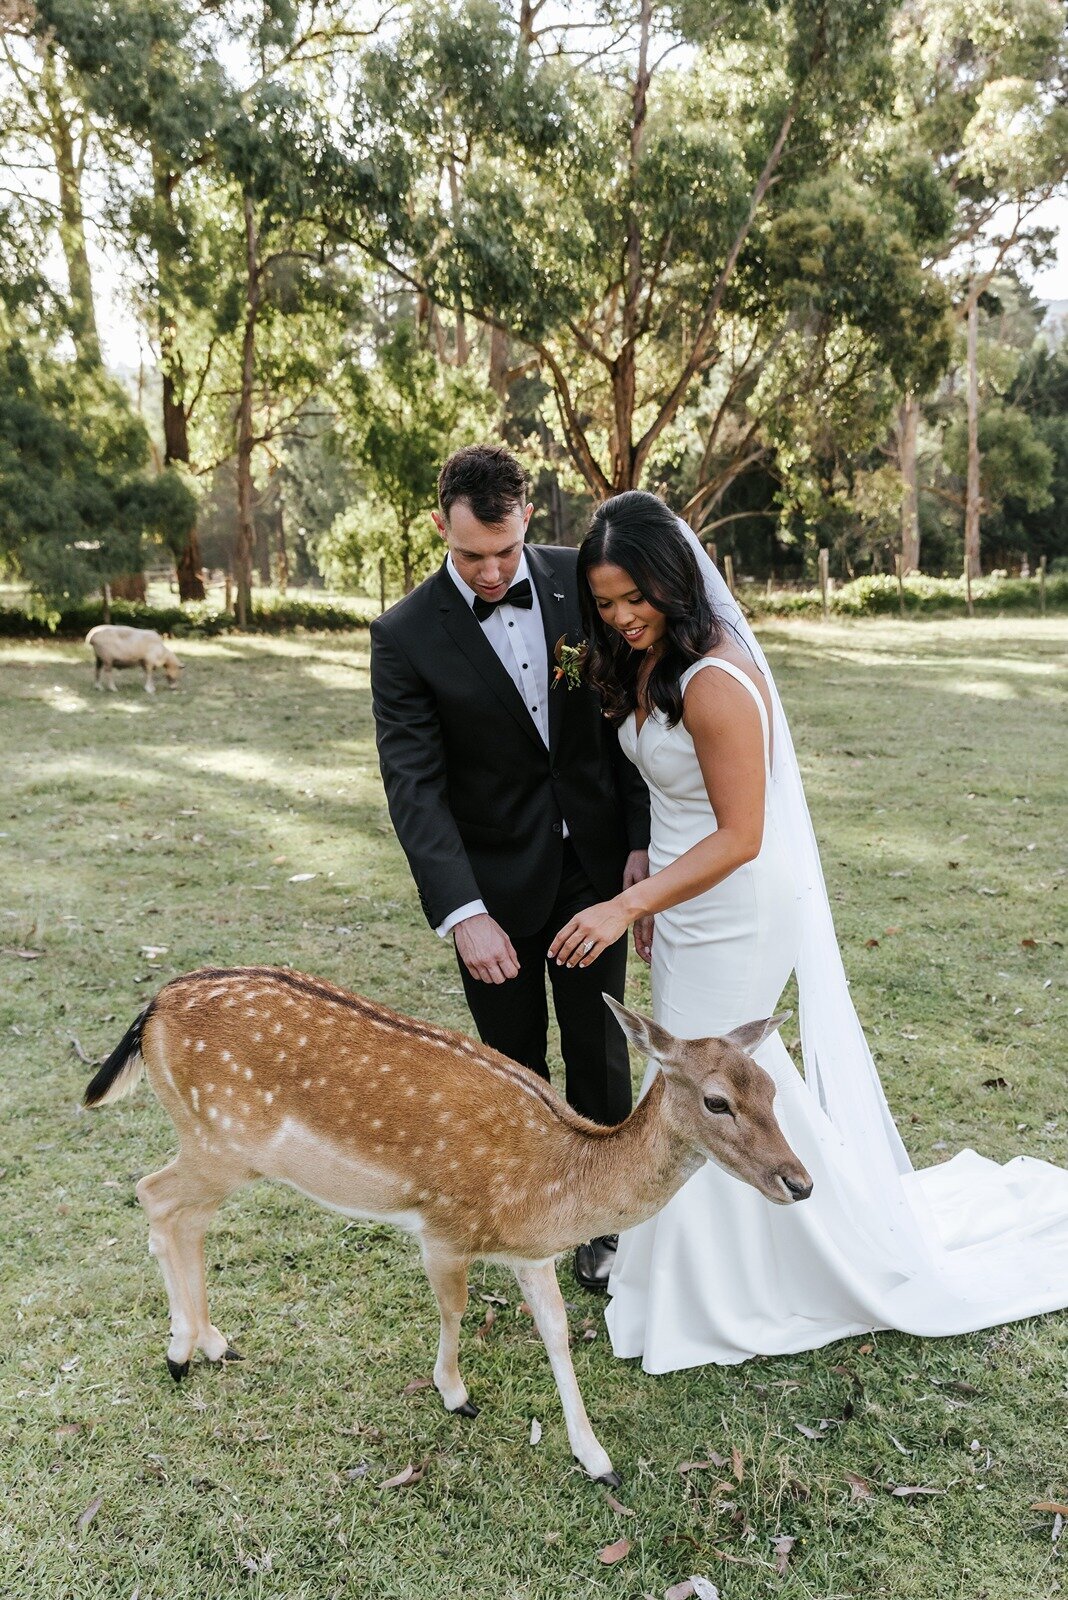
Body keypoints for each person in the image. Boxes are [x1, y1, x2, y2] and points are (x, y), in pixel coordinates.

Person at [549, 489, 1068, 1372]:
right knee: (696, 1078)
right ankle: (701, 1274)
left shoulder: (715, 680)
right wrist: (646, 872)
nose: (623, 617)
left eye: (636, 596)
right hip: (684, 892)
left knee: (719, 1079)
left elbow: (742, 834)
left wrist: (626, 905)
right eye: (604, 603)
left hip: (738, 901)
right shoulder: (653, 661)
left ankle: (779, 1277)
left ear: (674, 581)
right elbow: (677, 800)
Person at [369, 446, 651, 1292]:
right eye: (469, 556)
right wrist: (463, 912)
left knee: (601, 1049)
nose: (491, 573)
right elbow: (413, 787)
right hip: (492, 886)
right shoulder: (405, 635)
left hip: (596, 869)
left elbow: (628, 722)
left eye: (503, 551)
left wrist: (639, 846)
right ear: (438, 528)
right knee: (511, 1059)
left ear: (528, 517)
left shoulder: (583, 581)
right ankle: (534, 1212)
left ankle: (606, 1221)